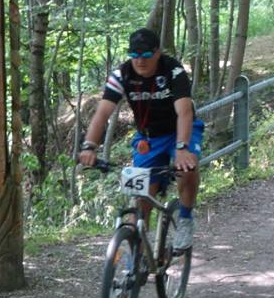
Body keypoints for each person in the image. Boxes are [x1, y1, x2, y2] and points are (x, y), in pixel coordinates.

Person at [79, 28, 203, 251]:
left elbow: (184, 112)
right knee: (142, 195)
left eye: (146, 55)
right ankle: (139, 255)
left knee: (188, 167)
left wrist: (183, 148)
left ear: (157, 53)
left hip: (180, 129)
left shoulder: (173, 70)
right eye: (134, 55)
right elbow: (102, 113)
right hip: (149, 137)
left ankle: (185, 218)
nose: (140, 61)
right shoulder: (123, 74)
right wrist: (89, 145)